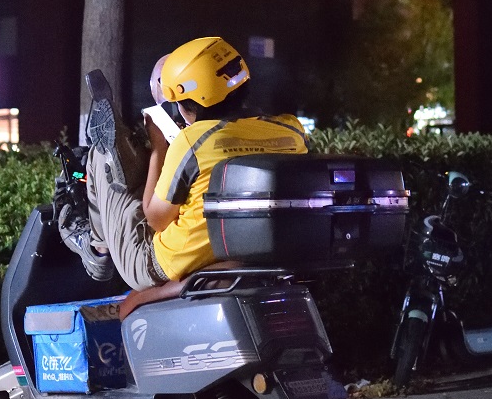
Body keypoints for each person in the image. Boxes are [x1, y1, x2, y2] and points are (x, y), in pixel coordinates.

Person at [58, 36, 308, 291]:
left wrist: (159, 148)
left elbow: (156, 220)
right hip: (255, 253)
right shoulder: (291, 130)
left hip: (160, 266)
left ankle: (97, 251)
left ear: (189, 104)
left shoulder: (192, 142)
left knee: (101, 155)